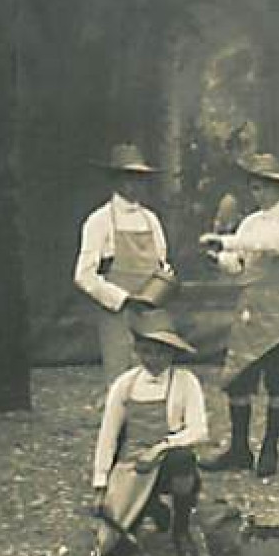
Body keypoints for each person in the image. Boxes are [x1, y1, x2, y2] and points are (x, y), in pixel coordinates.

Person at [199, 152, 279, 479]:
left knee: (277, 381)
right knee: (240, 378)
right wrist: (219, 257)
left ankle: (270, 447)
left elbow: (274, 246)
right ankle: (239, 448)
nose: (258, 193)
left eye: (264, 186)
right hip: (252, 305)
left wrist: (226, 240)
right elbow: (240, 265)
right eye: (255, 187)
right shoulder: (249, 223)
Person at [89, 310, 207, 556]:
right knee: (113, 545)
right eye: (146, 351)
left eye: (161, 352)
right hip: (132, 466)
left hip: (166, 462)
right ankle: (151, 506)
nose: (153, 359)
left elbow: (199, 430)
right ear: (137, 352)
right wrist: (100, 484)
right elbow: (108, 436)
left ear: (173, 353)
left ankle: (181, 530)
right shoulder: (125, 384)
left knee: (183, 459)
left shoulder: (185, 382)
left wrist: (161, 448)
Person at [73, 144, 176, 388]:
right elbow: (83, 275)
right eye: (127, 177)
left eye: (140, 179)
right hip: (117, 314)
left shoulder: (151, 220)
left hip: (151, 314)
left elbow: (163, 264)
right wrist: (122, 298)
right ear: (115, 180)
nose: (134, 184)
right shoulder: (99, 221)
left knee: (155, 380)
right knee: (121, 382)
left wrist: (164, 282)